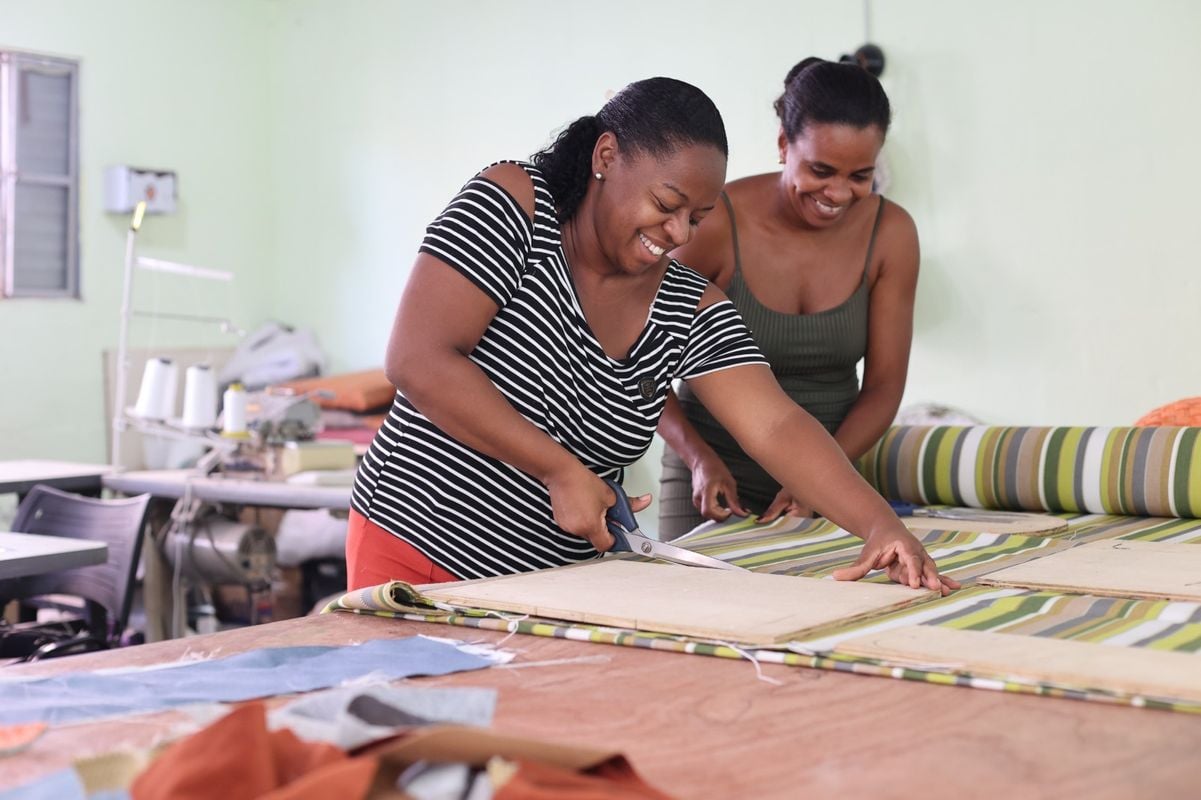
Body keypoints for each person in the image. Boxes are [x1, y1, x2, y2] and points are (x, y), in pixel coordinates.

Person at [347, 77, 958, 596]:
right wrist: (561, 471)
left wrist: (879, 526)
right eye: (666, 205)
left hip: (550, 585)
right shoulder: (515, 206)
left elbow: (776, 424)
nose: (678, 234)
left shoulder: (687, 304)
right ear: (606, 157)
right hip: (414, 547)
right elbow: (417, 359)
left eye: (697, 217)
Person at [658, 58, 918, 539]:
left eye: (861, 176)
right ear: (783, 144)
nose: (838, 193)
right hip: (712, 480)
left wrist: (818, 481)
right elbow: (639, 363)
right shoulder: (714, 226)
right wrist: (698, 458)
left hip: (828, 478)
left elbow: (884, 387)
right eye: (821, 170)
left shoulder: (892, 235)